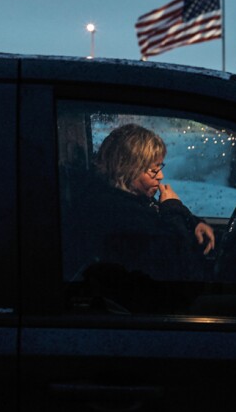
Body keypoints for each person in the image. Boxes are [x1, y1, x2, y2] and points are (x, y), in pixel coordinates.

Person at [71, 123, 215, 312]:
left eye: (160, 167)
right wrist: (173, 208)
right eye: (153, 170)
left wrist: (194, 222)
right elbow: (176, 266)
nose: (161, 176)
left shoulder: (135, 199)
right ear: (128, 169)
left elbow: (163, 221)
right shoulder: (118, 213)